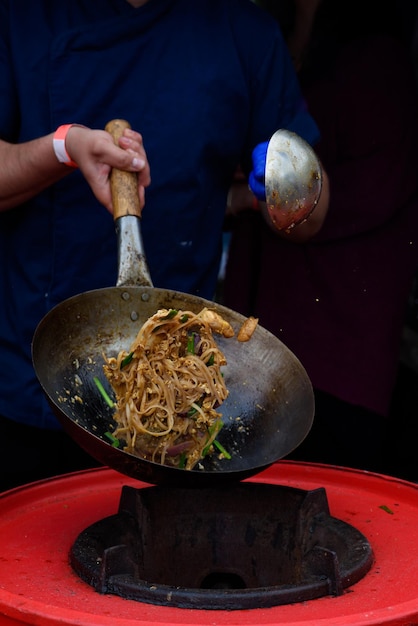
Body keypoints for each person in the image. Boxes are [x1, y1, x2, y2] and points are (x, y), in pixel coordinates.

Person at [0, 0, 330, 491]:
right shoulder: (21, 17)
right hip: (30, 388)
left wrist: (288, 183)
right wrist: (62, 148)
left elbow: (309, 221)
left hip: (178, 404)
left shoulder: (242, 31)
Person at [223, 0, 418, 475]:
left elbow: (348, 197)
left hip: (335, 359)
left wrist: (245, 199)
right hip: (262, 360)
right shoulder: (286, 55)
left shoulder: (376, 67)